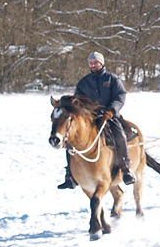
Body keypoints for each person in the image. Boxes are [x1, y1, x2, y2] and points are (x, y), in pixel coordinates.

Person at [57, 51, 135, 189]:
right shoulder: (84, 82)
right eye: (90, 63)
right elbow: (77, 101)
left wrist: (112, 110)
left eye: (95, 62)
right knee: (70, 141)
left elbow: (120, 95)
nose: (92, 65)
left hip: (110, 116)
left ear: (101, 63)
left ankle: (126, 168)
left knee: (120, 136)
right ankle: (70, 175)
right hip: (90, 119)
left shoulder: (112, 79)